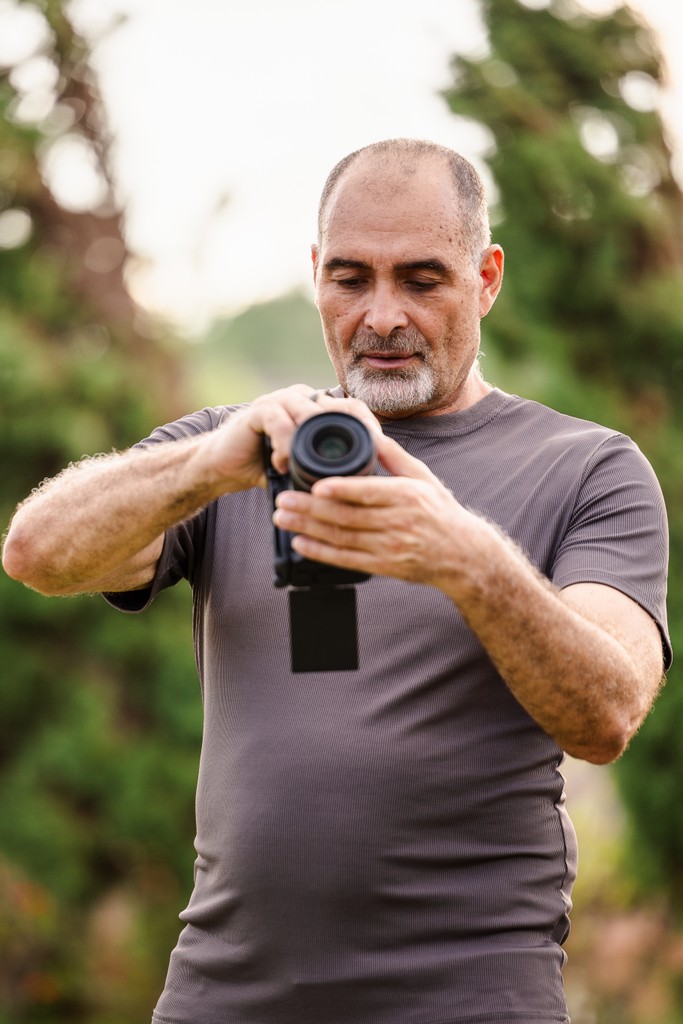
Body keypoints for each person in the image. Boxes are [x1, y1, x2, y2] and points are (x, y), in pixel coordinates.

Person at [2, 138, 670, 1024]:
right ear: (316, 272)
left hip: (471, 998)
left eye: (422, 280)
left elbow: (607, 714)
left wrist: (465, 559)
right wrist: (203, 467)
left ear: (487, 277)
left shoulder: (589, 469)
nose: (382, 315)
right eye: (351, 278)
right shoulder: (237, 449)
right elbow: (38, 555)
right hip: (224, 993)